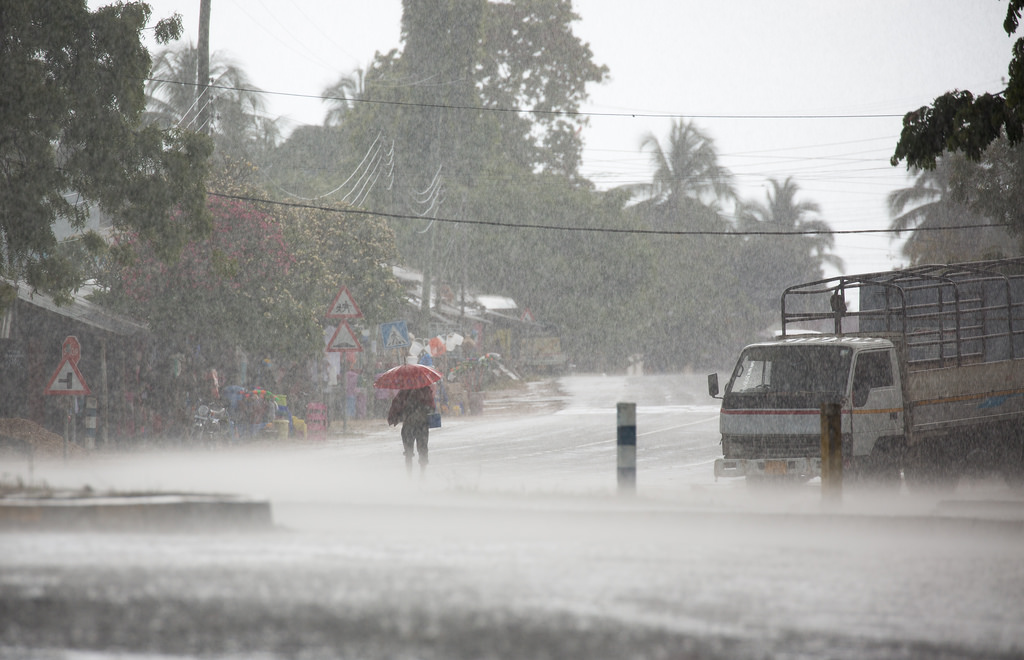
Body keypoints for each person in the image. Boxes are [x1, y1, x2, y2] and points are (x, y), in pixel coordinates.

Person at [387, 385, 435, 473]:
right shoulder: (426, 390)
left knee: (408, 453)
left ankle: (409, 476)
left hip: (408, 425)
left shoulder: (404, 391)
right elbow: (432, 407)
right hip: (422, 425)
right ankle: (422, 475)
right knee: (423, 450)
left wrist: (395, 418)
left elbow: (396, 405)